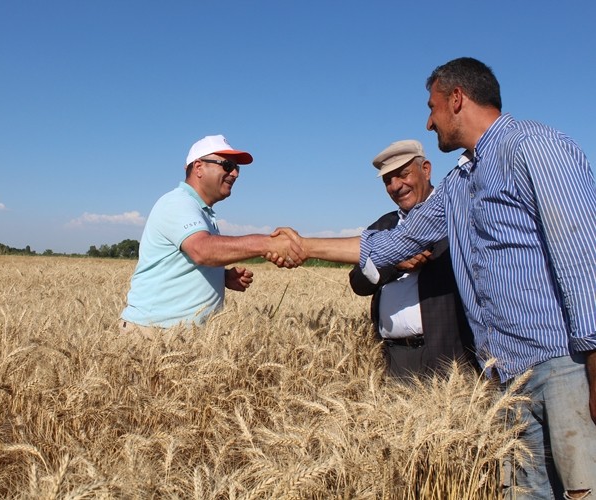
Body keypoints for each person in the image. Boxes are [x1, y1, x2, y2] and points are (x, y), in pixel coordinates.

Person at [271, 57, 596, 498]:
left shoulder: (534, 147)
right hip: (506, 377)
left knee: (583, 489)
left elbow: (582, 254)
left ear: (456, 98)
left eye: (432, 106)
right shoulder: (460, 182)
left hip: (563, 366)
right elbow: (392, 244)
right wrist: (305, 245)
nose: (429, 121)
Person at [120, 134, 303, 333]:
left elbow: (186, 259)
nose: (235, 173)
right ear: (198, 168)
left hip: (178, 336)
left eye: (237, 168)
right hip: (154, 334)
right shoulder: (177, 203)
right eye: (227, 165)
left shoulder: (202, 212)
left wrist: (221, 277)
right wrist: (266, 244)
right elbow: (202, 250)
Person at [350, 139, 475, 378]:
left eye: (403, 174)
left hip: (449, 357)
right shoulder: (384, 225)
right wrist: (393, 264)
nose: (396, 186)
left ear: (426, 170)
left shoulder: (455, 215)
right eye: (388, 180)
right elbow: (358, 283)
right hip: (395, 358)